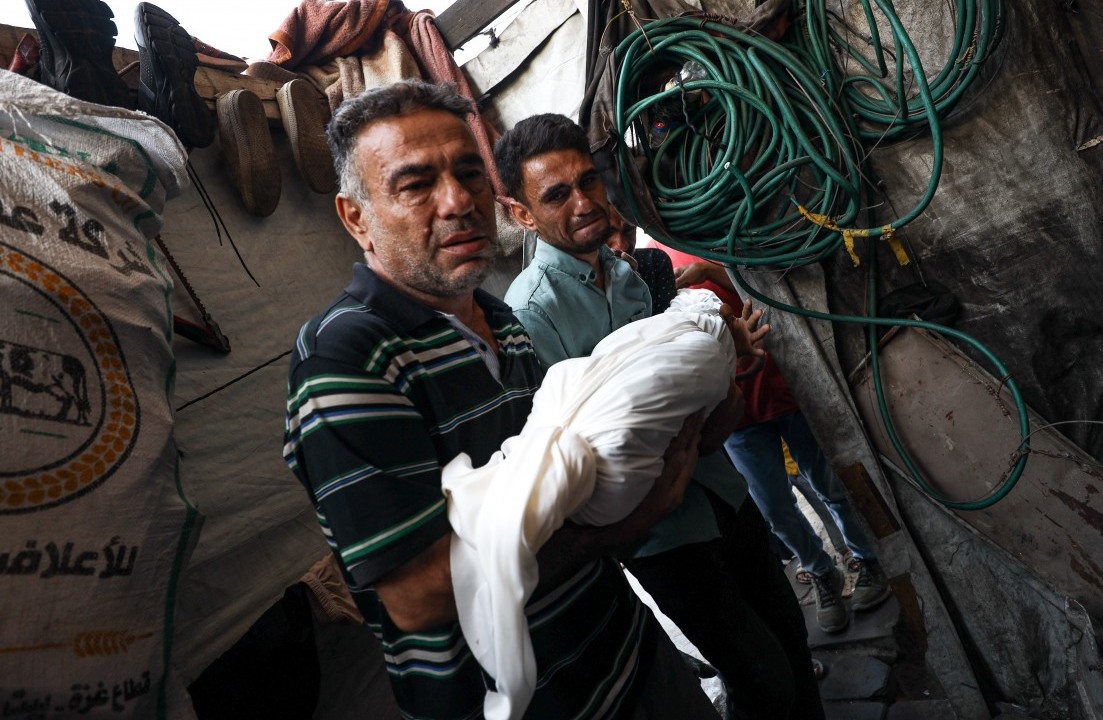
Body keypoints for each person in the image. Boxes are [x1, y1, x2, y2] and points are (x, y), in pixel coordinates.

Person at [282, 81, 719, 720]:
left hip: (625, 655)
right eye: (415, 184)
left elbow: (564, 472)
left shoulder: (498, 317)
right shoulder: (345, 358)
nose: (458, 201)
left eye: (468, 173)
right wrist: (625, 524)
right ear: (356, 218)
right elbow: (419, 598)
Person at [496, 112, 825, 720]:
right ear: (521, 213)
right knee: (758, 672)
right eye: (557, 194)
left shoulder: (628, 275)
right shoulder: (529, 314)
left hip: (725, 492)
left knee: (790, 637)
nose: (584, 202)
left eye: (588, 182)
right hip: (660, 535)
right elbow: (575, 455)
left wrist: (730, 362)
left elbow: (687, 381)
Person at [668, 256, 892, 616]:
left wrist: (710, 271)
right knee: (775, 508)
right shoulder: (643, 276)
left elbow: (762, 293)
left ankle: (869, 559)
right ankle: (821, 572)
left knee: (831, 486)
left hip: (785, 390)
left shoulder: (695, 243)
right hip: (735, 415)